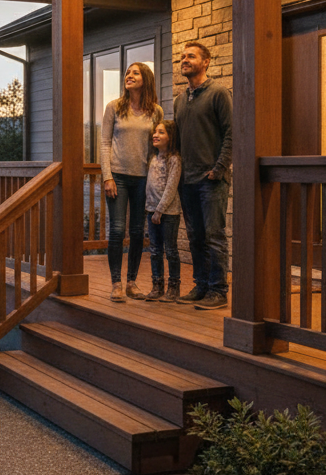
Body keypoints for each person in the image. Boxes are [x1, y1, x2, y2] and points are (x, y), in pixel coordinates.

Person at [173, 41, 233, 311]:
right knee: (195, 237)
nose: (185, 60)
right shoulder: (179, 100)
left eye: (191, 56)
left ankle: (218, 290)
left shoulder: (219, 93)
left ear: (206, 61)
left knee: (214, 236)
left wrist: (218, 169)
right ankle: (201, 285)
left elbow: (232, 133)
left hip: (211, 181)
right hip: (187, 181)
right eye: (183, 57)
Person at [100, 61, 163, 303]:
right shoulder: (114, 107)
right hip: (117, 177)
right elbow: (105, 143)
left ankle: (131, 282)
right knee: (117, 230)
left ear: (145, 79)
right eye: (127, 72)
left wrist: (155, 177)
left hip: (143, 178)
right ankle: (116, 283)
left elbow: (156, 148)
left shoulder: (155, 111)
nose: (129, 76)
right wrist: (107, 176)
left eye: (135, 73)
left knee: (138, 231)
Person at [145, 119, 182, 303]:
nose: (156, 135)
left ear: (170, 137)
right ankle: (157, 284)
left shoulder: (174, 160)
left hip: (168, 213)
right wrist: (151, 209)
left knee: (171, 250)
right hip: (151, 210)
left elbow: (171, 187)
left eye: (161, 132)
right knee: (155, 251)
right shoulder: (152, 158)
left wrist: (160, 210)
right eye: (155, 132)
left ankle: (174, 287)